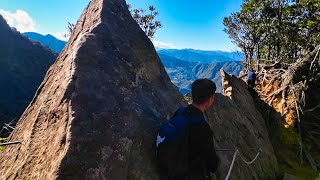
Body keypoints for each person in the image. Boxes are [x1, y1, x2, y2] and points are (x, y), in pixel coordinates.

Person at [156, 79, 220, 180]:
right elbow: (212, 163)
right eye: (213, 96)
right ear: (209, 100)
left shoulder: (180, 112)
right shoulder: (201, 126)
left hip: (171, 167)